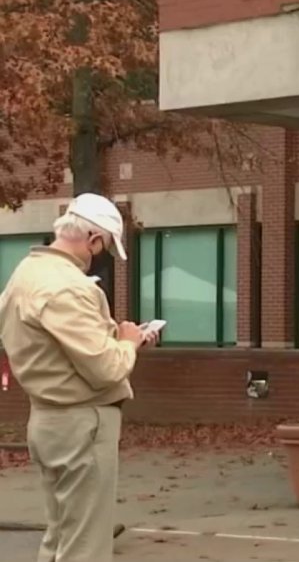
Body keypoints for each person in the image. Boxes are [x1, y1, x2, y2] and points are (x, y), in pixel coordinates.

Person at [0, 193, 161, 562]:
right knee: (86, 544)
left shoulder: (25, 274)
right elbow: (107, 368)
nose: (97, 257)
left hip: (46, 416)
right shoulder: (69, 287)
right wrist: (128, 342)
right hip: (82, 422)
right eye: (101, 248)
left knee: (60, 536)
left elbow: (63, 349)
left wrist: (123, 341)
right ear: (92, 239)